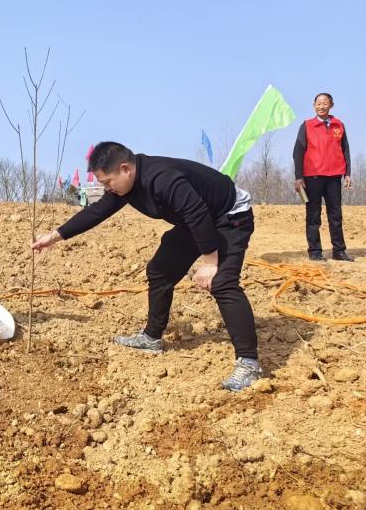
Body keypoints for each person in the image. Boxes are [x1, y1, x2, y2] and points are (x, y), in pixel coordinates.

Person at [32, 142, 261, 392]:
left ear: (125, 169)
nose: (107, 188)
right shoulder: (126, 187)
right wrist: (54, 236)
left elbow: (196, 212)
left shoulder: (162, 177)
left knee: (223, 282)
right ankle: (152, 338)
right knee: (160, 271)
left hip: (229, 216)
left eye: (107, 182)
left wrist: (210, 262)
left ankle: (249, 364)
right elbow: (97, 211)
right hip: (196, 221)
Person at [293, 93, 353, 261]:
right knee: (313, 214)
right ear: (314, 105)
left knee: (336, 215)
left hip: (334, 176)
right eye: (318, 103)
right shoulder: (307, 125)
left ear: (331, 105)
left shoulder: (339, 125)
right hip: (313, 177)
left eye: (325, 103)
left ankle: (339, 251)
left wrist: (347, 173)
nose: (321, 106)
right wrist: (299, 176)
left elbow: (345, 149)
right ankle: (315, 251)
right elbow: (298, 152)